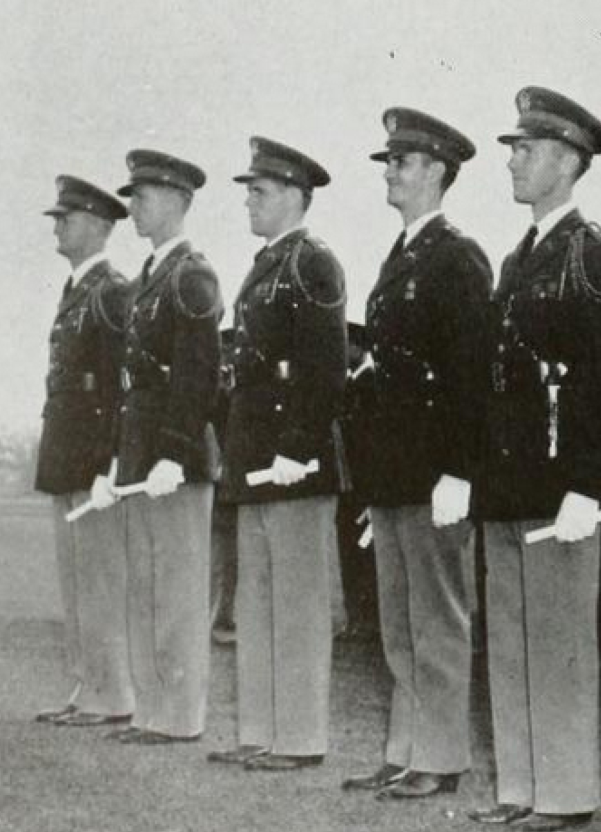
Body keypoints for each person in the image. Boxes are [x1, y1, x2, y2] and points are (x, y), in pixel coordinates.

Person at [469, 87, 601, 832]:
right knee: (509, 639)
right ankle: (520, 788)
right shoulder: (521, 256)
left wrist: (589, 486)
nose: (511, 160)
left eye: (525, 149)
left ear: (567, 162)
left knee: (560, 642)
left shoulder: (590, 252)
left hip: (558, 481)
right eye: (512, 148)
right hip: (510, 480)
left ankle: (563, 794)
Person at [340, 108, 491, 799]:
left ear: (435, 170)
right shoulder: (402, 255)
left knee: (437, 621)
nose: (391, 173)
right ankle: (406, 749)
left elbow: (469, 375)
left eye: (402, 162)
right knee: (400, 624)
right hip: (396, 474)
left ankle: (440, 755)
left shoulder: (455, 257)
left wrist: (459, 470)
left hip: (433, 474)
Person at [207, 137, 348, 771]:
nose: (248, 201)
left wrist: (297, 447)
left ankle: (297, 739)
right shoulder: (269, 263)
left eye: (259, 192)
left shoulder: (312, 262)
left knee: (295, 609)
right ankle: (260, 735)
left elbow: (322, 367)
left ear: (295, 195)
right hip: (256, 460)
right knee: (256, 606)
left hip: (293, 466)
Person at [110, 149, 223, 745]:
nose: (133, 206)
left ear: (178, 201)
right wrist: (119, 459)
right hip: (142, 455)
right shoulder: (147, 279)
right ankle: (151, 709)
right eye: (132, 195)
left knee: (177, 590)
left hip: (172, 462)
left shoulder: (191, 275)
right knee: (145, 586)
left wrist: (174, 453)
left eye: (144, 195)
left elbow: (197, 372)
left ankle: (179, 715)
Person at [33, 176, 135, 728]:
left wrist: (112, 462)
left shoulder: (112, 291)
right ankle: (87, 685)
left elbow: (124, 385)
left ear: (98, 226)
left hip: (93, 459)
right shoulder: (78, 290)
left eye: (66, 218)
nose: (57, 226)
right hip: (69, 455)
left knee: (98, 582)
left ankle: (112, 694)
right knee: (76, 581)